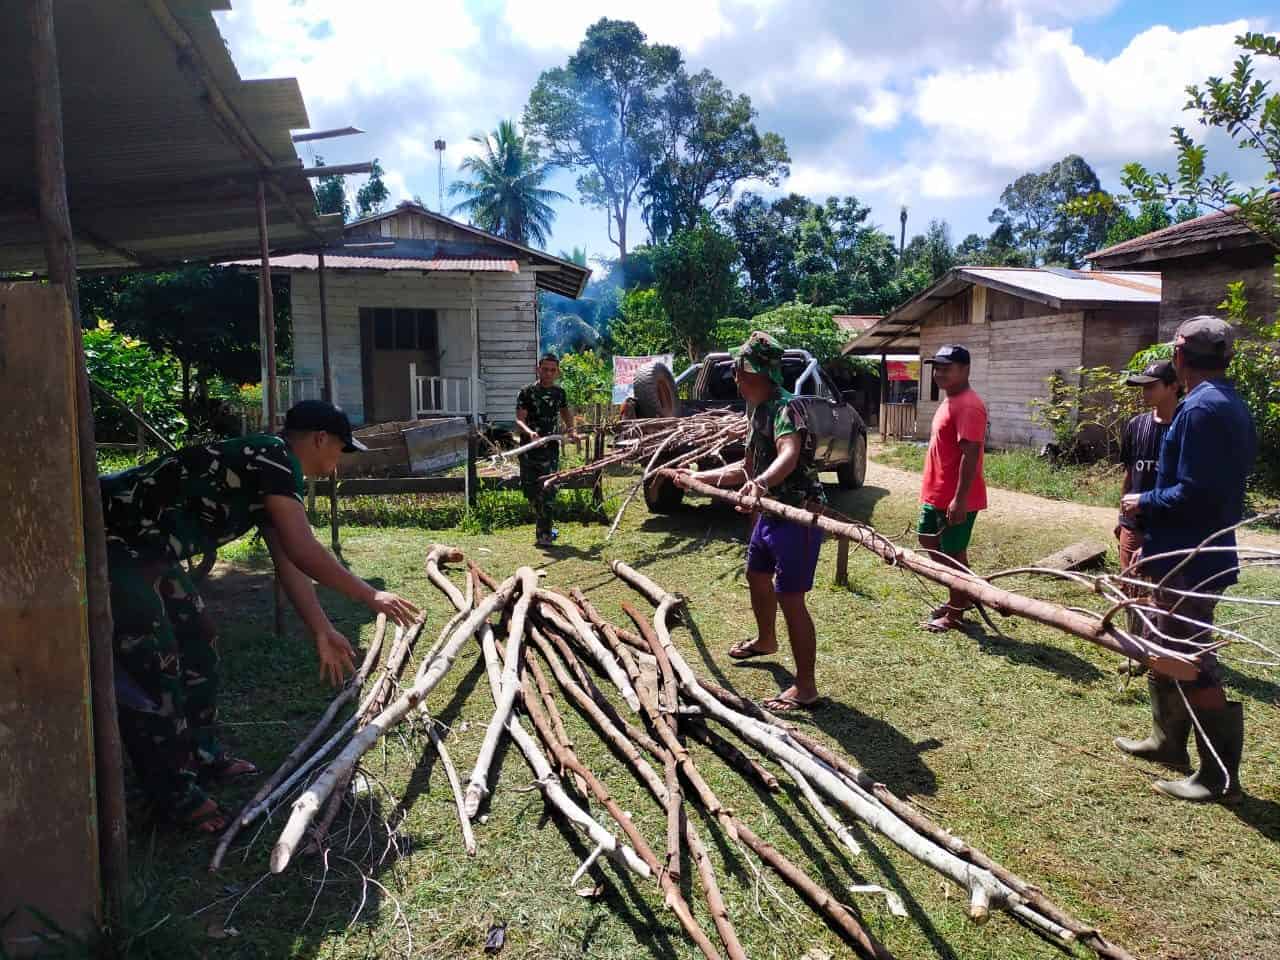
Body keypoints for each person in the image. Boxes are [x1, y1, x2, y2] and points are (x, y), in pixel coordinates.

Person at [102, 400, 421, 833]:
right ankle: (175, 797)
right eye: (338, 453)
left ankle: (202, 754)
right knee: (153, 665)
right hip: (111, 543)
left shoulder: (271, 478)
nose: (333, 467)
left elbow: (290, 561)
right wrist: (371, 595)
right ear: (320, 438)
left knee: (198, 639)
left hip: (150, 554)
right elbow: (307, 552)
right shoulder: (273, 456)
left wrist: (322, 630)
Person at [1117, 316, 1256, 804]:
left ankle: (1217, 775)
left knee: (1190, 660)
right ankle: (1168, 741)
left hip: (1190, 558)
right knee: (1164, 644)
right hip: (1186, 552)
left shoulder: (1201, 411)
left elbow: (1194, 494)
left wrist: (1143, 503)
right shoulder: (1226, 403)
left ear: (1179, 356)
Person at [687, 332, 826, 712]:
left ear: (762, 373)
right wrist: (699, 478)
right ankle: (767, 640)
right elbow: (747, 469)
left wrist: (761, 485)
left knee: (790, 597)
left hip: (796, 513)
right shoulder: (757, 410)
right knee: (757, 575)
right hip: (769, 512)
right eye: (736, 372)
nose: (736, 378)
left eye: (741, 372)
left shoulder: (787, 407)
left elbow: (789, 455)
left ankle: (807, 687)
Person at [916, 344, 988, 632]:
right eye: (938, 367)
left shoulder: (969, 405)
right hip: (937, 493)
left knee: (952, 552)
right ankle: (962, 595)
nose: (940, 373)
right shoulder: (950, 400)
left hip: (956, 498)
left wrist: (959, 500)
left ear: (965, 369)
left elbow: (971, 456)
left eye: (947, 368)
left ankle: (956, 611)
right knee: (928, 540)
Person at [1114, 360, 1180, 651]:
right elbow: (1130, 472)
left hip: (1170, 526)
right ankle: (1135, 645)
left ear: (1173, 386)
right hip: (1134, 522)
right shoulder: (1136, 426)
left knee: (1164, 589)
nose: (1145, 392)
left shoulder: (1186, 426)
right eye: (1143, 387)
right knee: (1130, 585)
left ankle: (1161, 646)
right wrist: (1121, 516)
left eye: (1151, 386)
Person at [516, 353, 575, 547]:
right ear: (538, 369)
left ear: (557, 372)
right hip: (529, 449)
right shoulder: (526, 392)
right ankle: (545, 528)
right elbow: (519, 420)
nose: (548, 373)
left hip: (550, 449)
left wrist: (571, 430)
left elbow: (566, 412)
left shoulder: (560, 393)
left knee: (548, 490)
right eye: (545, 369)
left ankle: (545, 535)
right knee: (530, 490)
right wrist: (530, 433)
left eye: (552, 370)